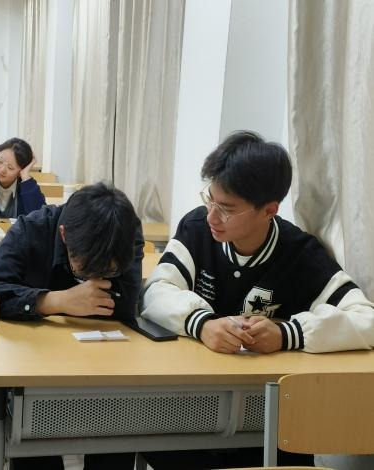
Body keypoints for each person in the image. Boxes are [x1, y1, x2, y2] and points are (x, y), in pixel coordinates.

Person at [140, 131, 374, 469]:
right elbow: (156, 290)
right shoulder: (196, 229)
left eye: (226, 209)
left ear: (269, 210)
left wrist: (287, 334)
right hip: (190, 412)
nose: (212, 216)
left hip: (270, 423)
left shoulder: (300, 253)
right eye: (210, 200)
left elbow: (366, 318)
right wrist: (200, 324)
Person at [0, 182, 143, 470]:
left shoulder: (125, 233)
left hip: (105, 370)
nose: (94, 279)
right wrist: (54, 301)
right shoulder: (31, 230)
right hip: (32, 370)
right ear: (63, 235)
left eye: (108, 272)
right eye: (84, 269)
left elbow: (126, 303)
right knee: (32, 441)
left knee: (118, 432)